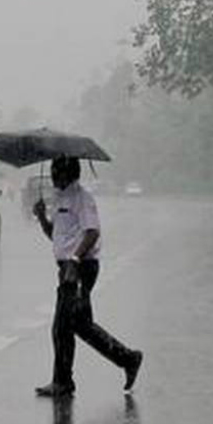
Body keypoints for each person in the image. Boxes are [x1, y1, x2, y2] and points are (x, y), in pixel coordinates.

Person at [32, 156, 143, 398]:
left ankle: (62, 382)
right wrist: (42, 218)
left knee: (62, 326)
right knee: (81, 325)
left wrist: (74, 260)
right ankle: (128, 358)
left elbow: (92, 232)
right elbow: (59, 237)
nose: (51, 175)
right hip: (68, 268)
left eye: (56, 170)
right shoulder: (61, 199)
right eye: (51, 170)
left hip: (80, 269)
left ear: (69, 172)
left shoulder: (82, 199)